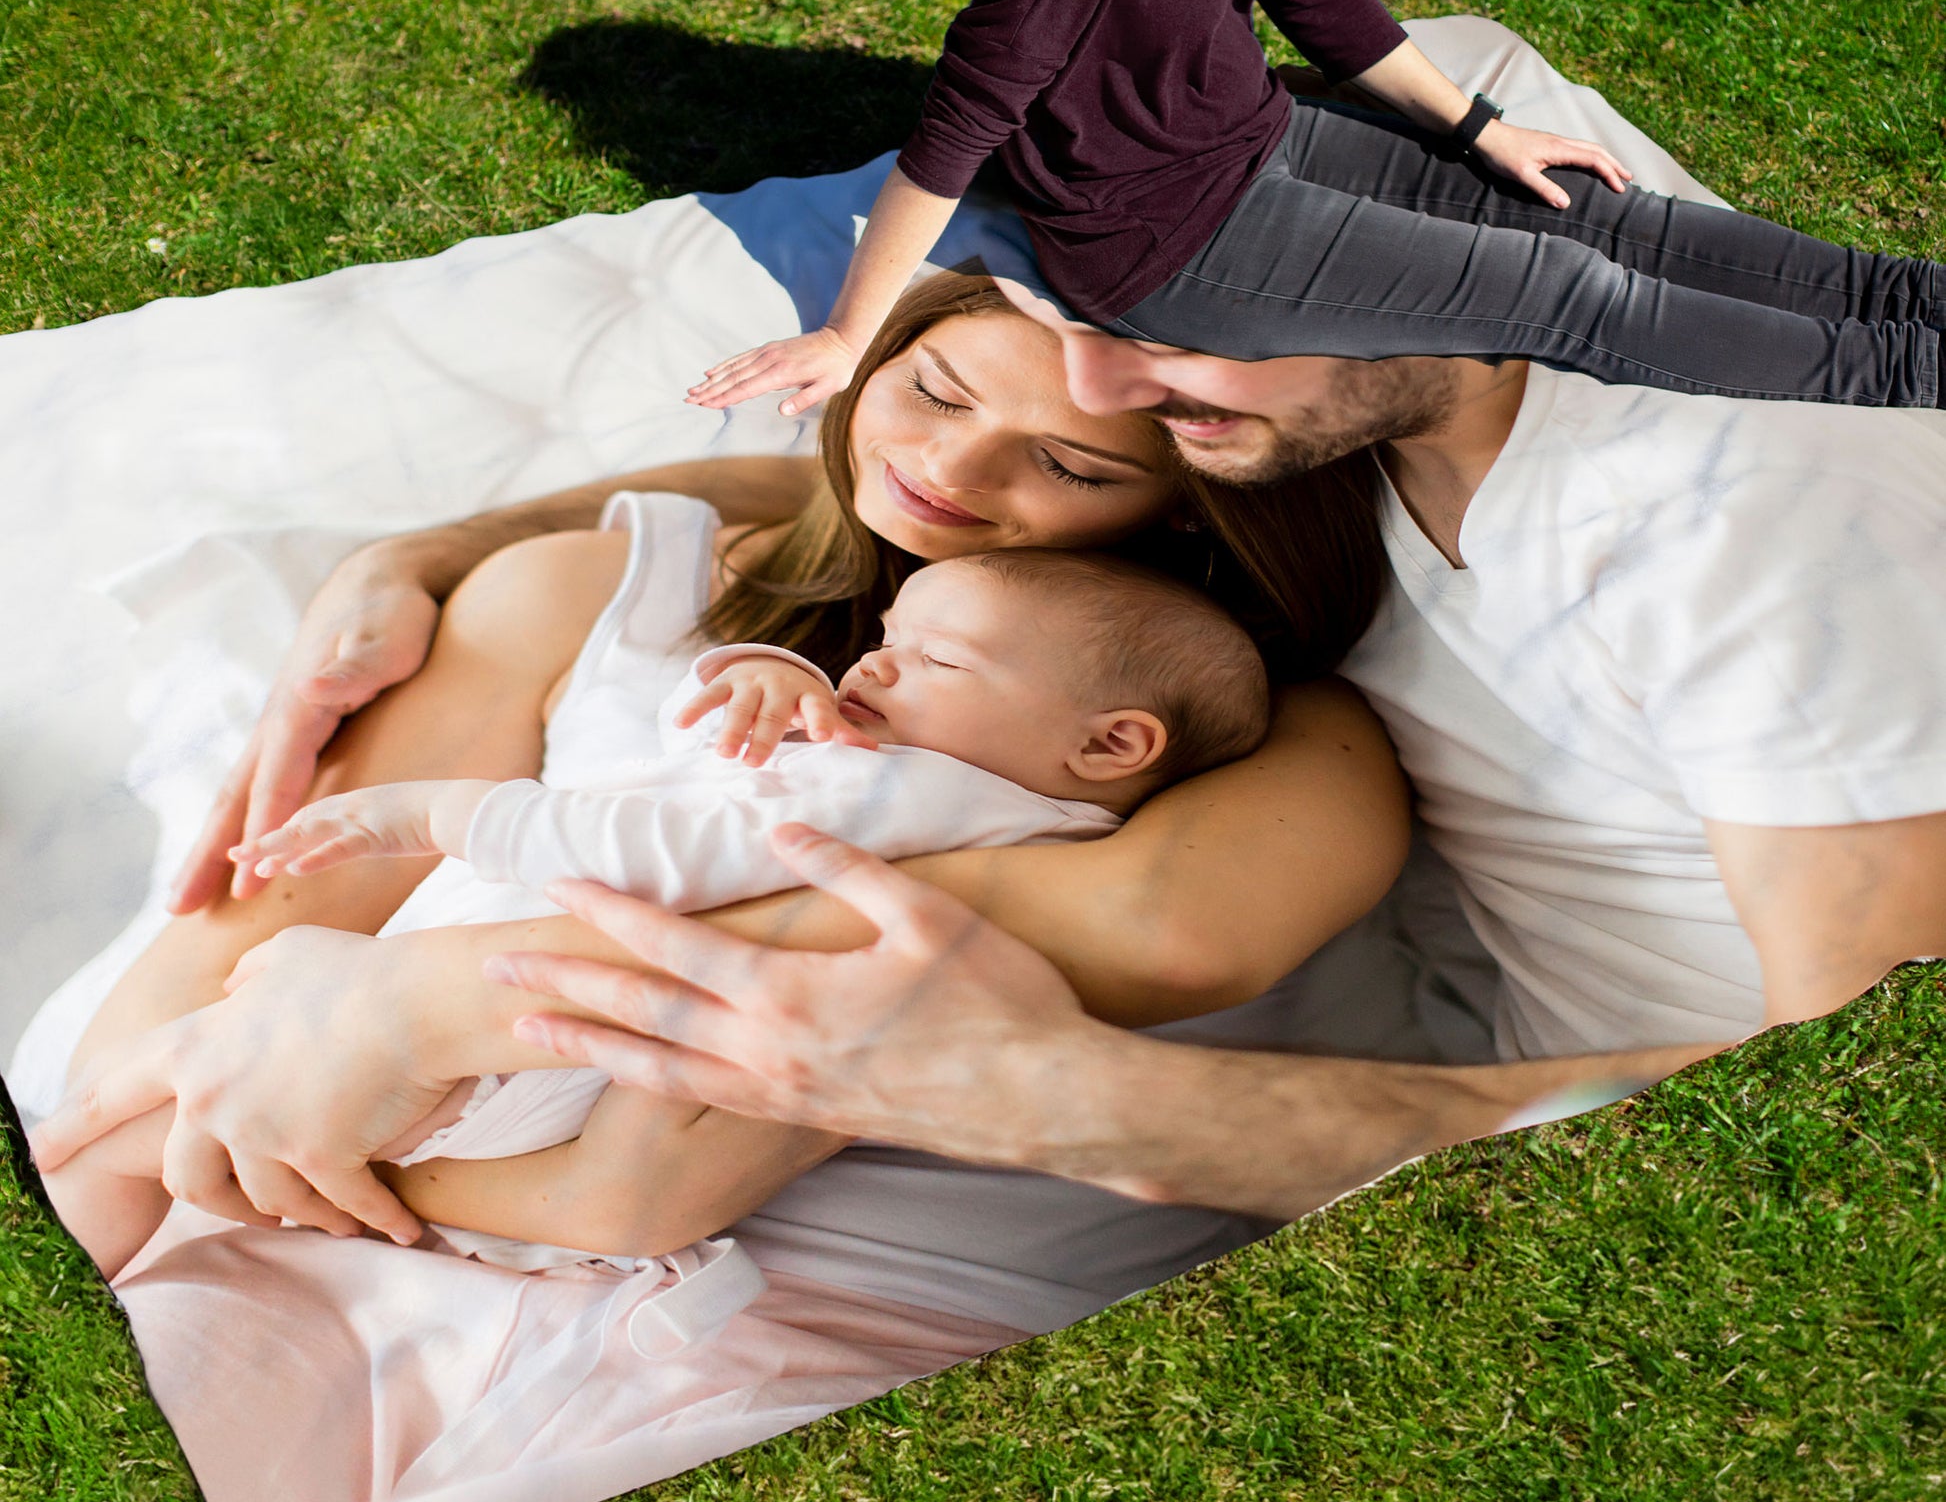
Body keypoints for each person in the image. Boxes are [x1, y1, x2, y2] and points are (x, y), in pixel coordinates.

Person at [28, 271, 1421, 1261]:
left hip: (507, 1151)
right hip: (273, 1073)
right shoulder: (652, 587)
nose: (946, 466)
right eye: (926, 387)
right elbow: (270, 905)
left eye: (1065, 462)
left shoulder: (1225, 731)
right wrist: (410, 554)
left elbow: (1165, 930)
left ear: (1186, 513)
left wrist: (425, 1001)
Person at [443, 302, 1946, 1216]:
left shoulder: (1714, 530)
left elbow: (1863, 1103)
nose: (1107, 369)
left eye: (1098, 443)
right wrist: (433, 548)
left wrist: (1074, 1101)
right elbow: (910, 468)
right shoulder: (1173, 460)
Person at [44, 547, 1269, 1278]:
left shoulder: (920, 789)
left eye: (935, 662)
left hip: (489, 1064)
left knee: (131, 1129)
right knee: (164, 1113)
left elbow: (676, 842)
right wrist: (777, 679)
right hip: (526, 1081)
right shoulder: (1026, 814)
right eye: (885, 639)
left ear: (1111, 740)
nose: (873, 667)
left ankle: (76, 1255)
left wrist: (448, 815)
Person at [691, 0, 1942, 419]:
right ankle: (1902, 369)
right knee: (1571, 291)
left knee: (1590, 205)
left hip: (1264, 139)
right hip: (1164, 238)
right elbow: (963, 119)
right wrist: (849, 333)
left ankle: (1912, 296)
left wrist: (1477, 127)